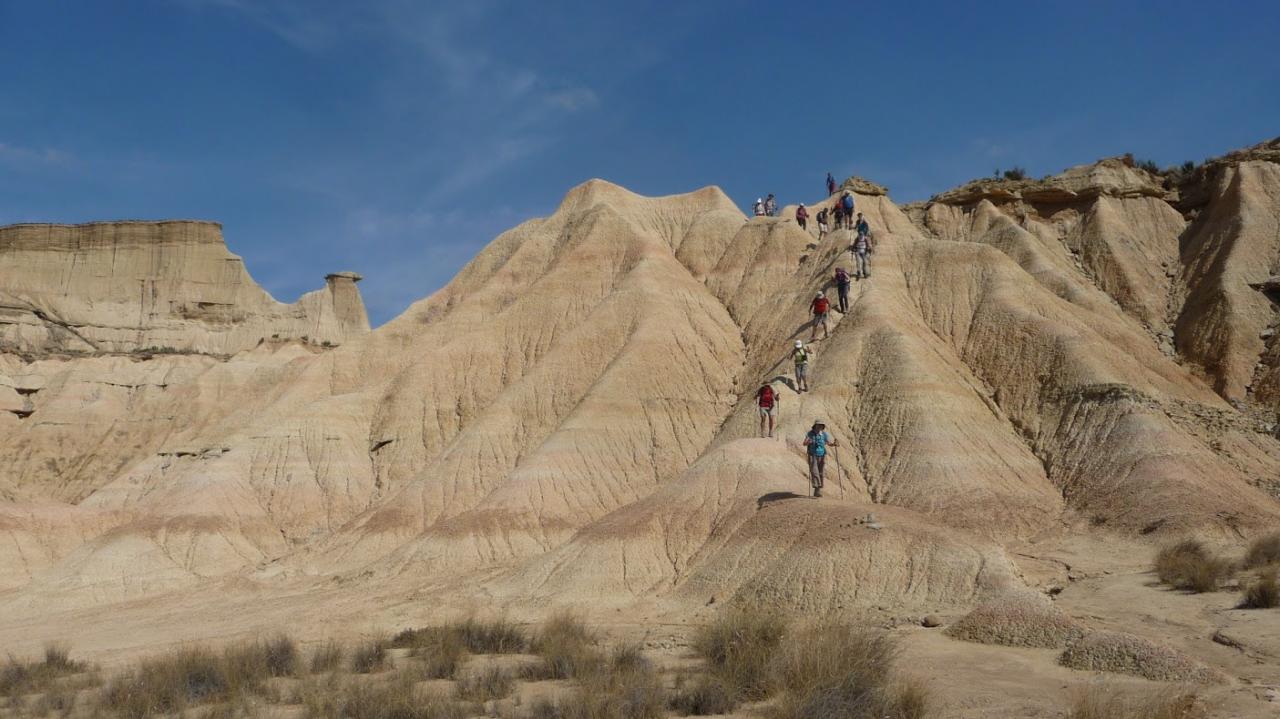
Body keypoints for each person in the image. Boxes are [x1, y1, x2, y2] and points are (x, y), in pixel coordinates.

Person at [803, 420, 838, 497]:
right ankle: (817, 486)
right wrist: (809, 442)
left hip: (822, 455)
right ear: (815, 426)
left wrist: (834, 444)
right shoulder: (810, 434)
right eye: (818, 425)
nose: (820, 427)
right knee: (814, 471)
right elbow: (804, 443)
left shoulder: (824, 434)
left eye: (821, 425)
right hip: (813, 455)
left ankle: (817, 490)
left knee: (821, 472)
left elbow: (828, 443)